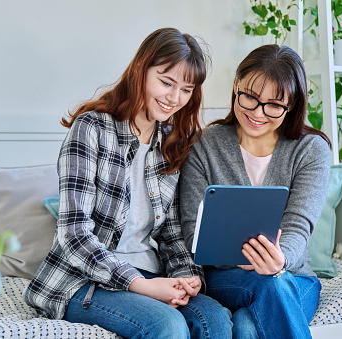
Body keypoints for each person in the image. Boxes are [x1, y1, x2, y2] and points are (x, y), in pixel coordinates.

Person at [23, 27, 232, 339]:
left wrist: (187, 275)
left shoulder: (172, 141)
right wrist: (142, 285)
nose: (174, 98)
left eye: (186, 89)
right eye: (166, 82)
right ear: (141, 71)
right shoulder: (91, 128)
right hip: (84, 279)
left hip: (151, 272)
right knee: (167, 325)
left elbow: (172, 233)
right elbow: (74, 235)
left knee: (215, 320)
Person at [179, 44, 331, 339]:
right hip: (227, 277)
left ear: (292, 104)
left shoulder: (311, 150)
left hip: (294, 277)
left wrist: (279, 260)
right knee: (268, 283)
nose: (258, 113)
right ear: (236, 84)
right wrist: (240, 259)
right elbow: (192, 232)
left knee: (251, 322)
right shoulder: (203, 146)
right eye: (249, 97)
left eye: (274, 104)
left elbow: (299, 223)